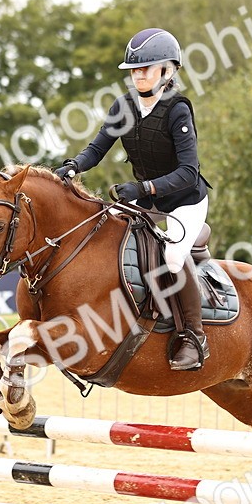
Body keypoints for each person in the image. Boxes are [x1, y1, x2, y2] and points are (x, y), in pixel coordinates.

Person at [54, 28, 212, 371]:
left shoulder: (177, 110)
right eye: (134, 69)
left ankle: (194, 337)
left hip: (184, 201)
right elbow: (97, 149)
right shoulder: (123, 106)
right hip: (149, 201)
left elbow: (188, 171)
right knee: (109, 238)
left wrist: (144, 189)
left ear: (167, 71)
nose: (138, 74)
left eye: (146, 68)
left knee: (171, 255)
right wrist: (71, 167)